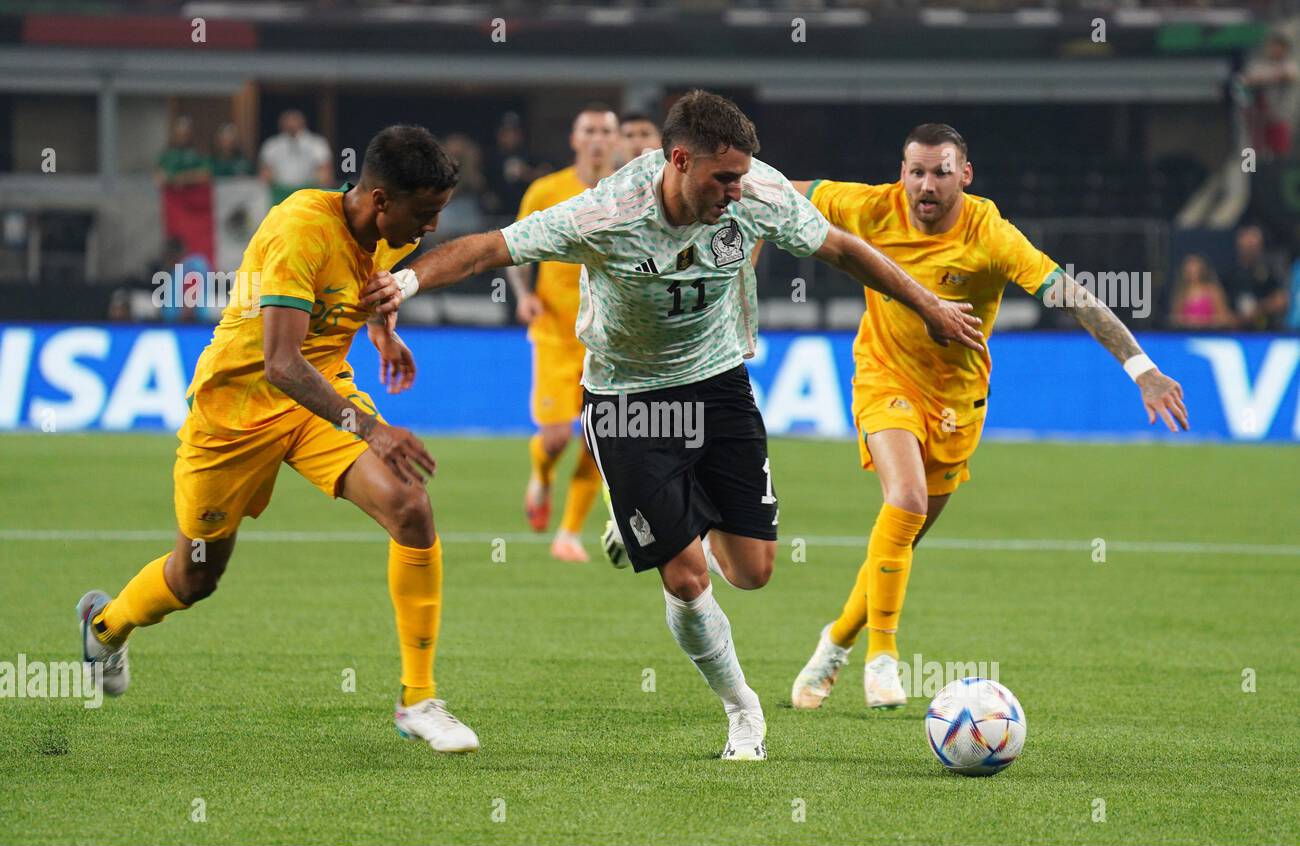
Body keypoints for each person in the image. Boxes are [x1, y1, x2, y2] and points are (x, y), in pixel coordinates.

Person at [361, 90, 981, 761]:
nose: (736, 192)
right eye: (722, 179)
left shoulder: (757, 191)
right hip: (629, 400)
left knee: (754, 570)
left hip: (718, 385)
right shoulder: (607, 212)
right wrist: (403, 286)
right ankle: (742, 709)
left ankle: (652, 521)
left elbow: (842, 249)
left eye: (742, 176)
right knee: (687, 578)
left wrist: (928, 306)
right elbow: (487, 249)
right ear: (679, 161)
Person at [77, 125, 481, 754]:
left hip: (318, 404)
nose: (429, 228)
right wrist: (373, 429)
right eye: (424, 214)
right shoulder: (301, 230)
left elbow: (353, 294)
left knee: (411, 506)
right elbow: (282, 365)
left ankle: (418, 699)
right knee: (195, 577)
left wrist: (381, 332)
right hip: (235, 414)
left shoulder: (380, 231)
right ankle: (105, 625)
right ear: (379, 199)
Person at [787, 124, 1189, 711]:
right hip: (884, 377)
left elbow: (1072, 294)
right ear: (902, 172)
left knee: (902, 538)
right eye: (916, 172)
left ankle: (835, 641)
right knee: (905, 501)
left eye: (941, 173)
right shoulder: (869, 207)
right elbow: (776, 187)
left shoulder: (990, 234)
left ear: (965, 175)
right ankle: (883, 657)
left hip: (957, 401)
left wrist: (1141, 367)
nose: (926, 185)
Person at [507, 104, 620, 562]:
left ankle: (569, 534)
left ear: (615, 141)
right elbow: (511, 247)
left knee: (599, 440)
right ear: (575, 139)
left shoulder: (627, 192)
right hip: (555, 332)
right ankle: (542, 473)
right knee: (556, 438)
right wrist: (523, 294)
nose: (597, 139)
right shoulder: (546, 190)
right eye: (588, 130)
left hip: (610, 340)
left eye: (605, 131)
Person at [1240, 33, 1299, 159]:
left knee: (1279, 150)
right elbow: (1247, 79)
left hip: (1279, 115)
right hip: (1258, 116)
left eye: (1276, 47)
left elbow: (1289, 75)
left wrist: (1264, 78)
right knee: (1255, 149)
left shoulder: (1290, 64)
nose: (1272, 50)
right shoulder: (1259, 64)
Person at [259, 109, 333, 205]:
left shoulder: (317, 143)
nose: (291, 124)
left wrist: (319, 185)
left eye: (294, 120)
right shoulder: (272, 144)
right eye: (288, 121)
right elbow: (265, 172)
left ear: (302, 122)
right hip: (280, 192)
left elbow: (325, 171)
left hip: (308, 191)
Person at [1229, 224, 1289, 330]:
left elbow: (1281, 301)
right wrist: (1238, 318)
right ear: (1239, 242)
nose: (1250, 245)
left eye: (1254, 241)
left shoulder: (1271, 269)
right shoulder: (1231, 273)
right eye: (1247, 240)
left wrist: (1258, 309)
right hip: (1235, 333)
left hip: (1268, 333)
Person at [1171, 253, 1236, 329]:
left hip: (1210, 334)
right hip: (1187, 334)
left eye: (1195, 267)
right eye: (1189, 268)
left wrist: (1202, 321)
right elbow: (1175, 318)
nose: (1192, 270)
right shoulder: (1181, 293)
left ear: (1202, 269)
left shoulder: (1213, 290)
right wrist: (1187, 321)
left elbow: (1224, 317)